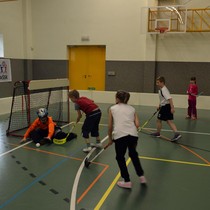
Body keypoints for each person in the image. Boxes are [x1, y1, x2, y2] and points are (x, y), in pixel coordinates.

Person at [107, 90, 146, 189]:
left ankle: (127, 181)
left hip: (120, 136)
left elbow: (110, 126)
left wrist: (110, 139)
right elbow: (137, 125)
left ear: (117, 98)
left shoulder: (112, 108)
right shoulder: (132, 109)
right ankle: (141, 176)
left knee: (120, 157)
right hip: (133, 135)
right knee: (133, 154)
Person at [151, 76, 182, 141]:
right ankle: (159, 133)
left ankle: (176, 134)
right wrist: (159, 105)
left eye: (158, 82)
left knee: (163, 120)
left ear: (162, 82)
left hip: (166, 107)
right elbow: (163, 99)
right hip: (164, 106)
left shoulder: (164, 90)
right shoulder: (161, 89)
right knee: (163, 120)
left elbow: (170, 99)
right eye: (156, 82)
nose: (157, 84)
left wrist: (172, 108)